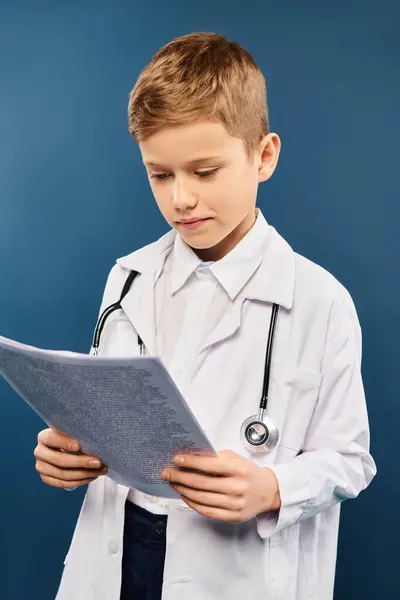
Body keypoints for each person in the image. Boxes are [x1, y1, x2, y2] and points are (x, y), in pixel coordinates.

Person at [33, 32, 376, 600]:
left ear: (263, 156)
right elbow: (107, 407)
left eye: (204, 171)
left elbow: (350, 460)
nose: (181, 200)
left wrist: (272, 489)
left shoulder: (321, 302)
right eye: (160, 175)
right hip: (116, 557)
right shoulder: (128, 280)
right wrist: (69, 450)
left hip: (232, 572)